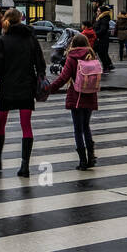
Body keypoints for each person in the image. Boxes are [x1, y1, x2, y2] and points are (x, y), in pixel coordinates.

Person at [0, 8, 45, 176]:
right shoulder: (31, 38)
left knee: (0, 123)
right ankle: (25, 166)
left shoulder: (1, 41)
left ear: (6, 21)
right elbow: (40, 64)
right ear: (20, 19)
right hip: (26, 87)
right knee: (26, 126)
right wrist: (40, 79)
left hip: (7, 88)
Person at [47, 35, 101, 169]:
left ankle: (82, 161)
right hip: (90, 94)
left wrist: (49, 89)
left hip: (76, 96)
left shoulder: (72, 57)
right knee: (86, 127)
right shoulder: (91, 55)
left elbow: (63, 77)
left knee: (78, 129)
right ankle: (91, 157)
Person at [93, 3, 114, 72]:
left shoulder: (104, 19)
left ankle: (106, 67)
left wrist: (95, 34)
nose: (97, 12)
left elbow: (103, 29)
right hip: (101, 38)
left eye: (98, 11)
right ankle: (108, 65)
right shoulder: (100, 18)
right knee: (102, 53)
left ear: (102, 12)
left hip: (102, 39)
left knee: (102, 53)